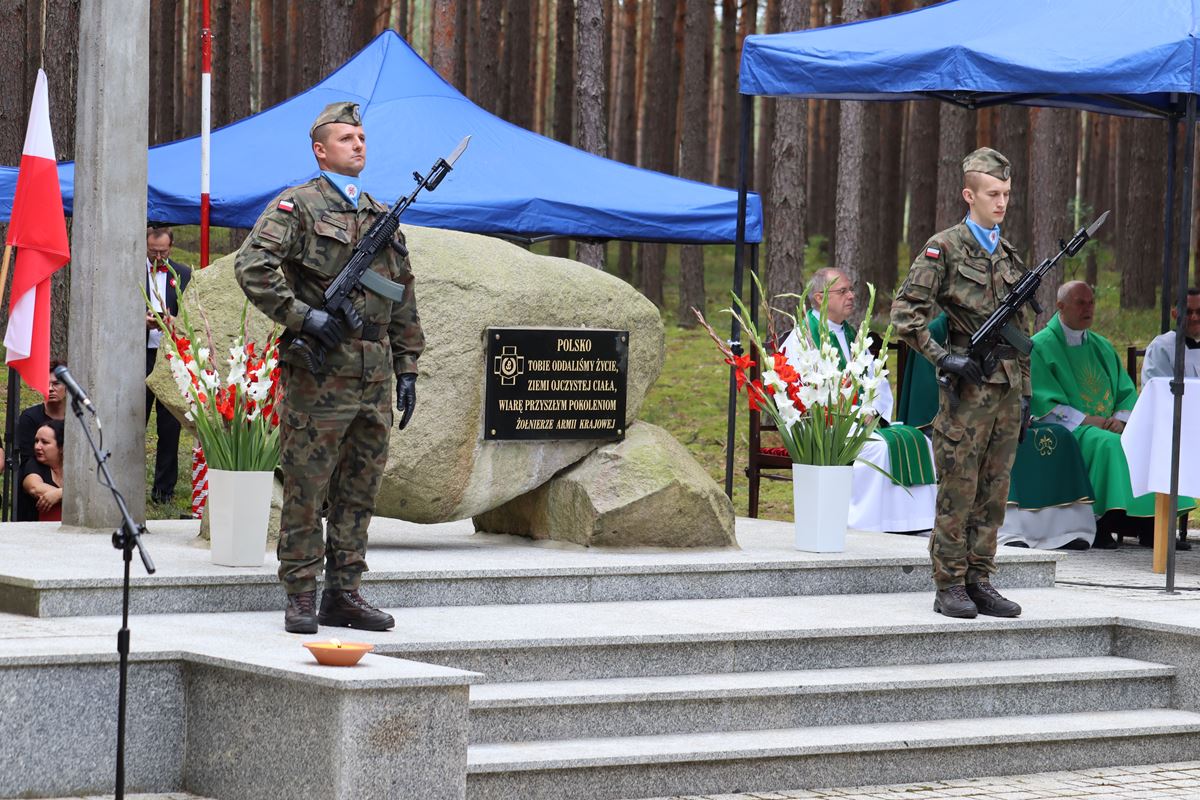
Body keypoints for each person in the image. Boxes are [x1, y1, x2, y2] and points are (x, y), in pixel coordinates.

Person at [234, 101, 423, 634]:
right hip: (319, 374)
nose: (358, 145)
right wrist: (303, 316)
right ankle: (301, 593)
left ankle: (344, 592)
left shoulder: (381, 214)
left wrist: (407, 365)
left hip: (373, 375)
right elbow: (253, 266)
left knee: (360, 488)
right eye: (346, 138)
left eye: (361, 138)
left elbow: (402, 294)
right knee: (307, 486)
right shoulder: (298, 206)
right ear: (320, 150)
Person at [891, 147, 1029, 620]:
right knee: (959, 488)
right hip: (967, 393)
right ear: (969, 195)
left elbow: (1022, 334)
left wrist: (1025, 395)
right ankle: (949, 583)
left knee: (994, 490)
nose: (1001, 202)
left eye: (1006, 193)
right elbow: (905, 315)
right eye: (993, 193)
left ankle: (980, 579)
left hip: (1007, 391)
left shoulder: (1008, 254)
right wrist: (944, 357)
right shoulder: (944, 247)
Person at [1031, 280, 1194, 548]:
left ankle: (1152, 525)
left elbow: (1126, 391)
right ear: (1060, 306)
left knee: (1154, 442)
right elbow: (1042, 399)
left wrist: (1120, 419)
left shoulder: (1102, 345)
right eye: (1080, 303)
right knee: (1107, 444)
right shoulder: (1040, 346)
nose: (1088, 308)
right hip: (1069, 429)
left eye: (1091, 302)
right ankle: (1100, 524)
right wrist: (1087, 420)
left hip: (1109, 426)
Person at [781, 268, 937, 534]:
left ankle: (911, 524)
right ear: (819, 298)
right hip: (824, 427)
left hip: (860, 422)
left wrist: (872, 411)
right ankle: (864, 523)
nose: (851, 296)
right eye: (843, 291)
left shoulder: (853, 336)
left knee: (919, 440)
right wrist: (843, 412)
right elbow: (797, 392)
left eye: (851, 289)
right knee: (877, 449)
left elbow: (878, 384)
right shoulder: (802, 338)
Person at [145, 225, 193, 504]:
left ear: (171, 247)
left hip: (171, 357)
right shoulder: (131, 272)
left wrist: (176, 323)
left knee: (169, 426)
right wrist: (141, 321)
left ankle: (164, 491)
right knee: (134, 420)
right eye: (153, 252)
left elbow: (194, 316)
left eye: (163, 252)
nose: (158, 257)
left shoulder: (184, 274)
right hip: (139, 355)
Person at [15, 363, 67, 522]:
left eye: (56, 383)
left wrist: (59, 494)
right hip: (36, 486)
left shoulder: (78, 418)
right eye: (46, 383)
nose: (50, 388)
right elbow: (32, 480)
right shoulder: (30, 417)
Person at [1142, 287, 1200, 383]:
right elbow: (1160, 387)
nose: (1194, 317)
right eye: (1188, 312)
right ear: (1174, 314)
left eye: (1199, 312)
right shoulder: (1161, 347)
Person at [21, 419, 64, 522]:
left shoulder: (74, 467)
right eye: (36, 441)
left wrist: (59, 494)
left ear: (61, 447)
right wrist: (64, 494)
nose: (37, 447)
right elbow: (34, 488)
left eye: (44, 442)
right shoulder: (33, 464)